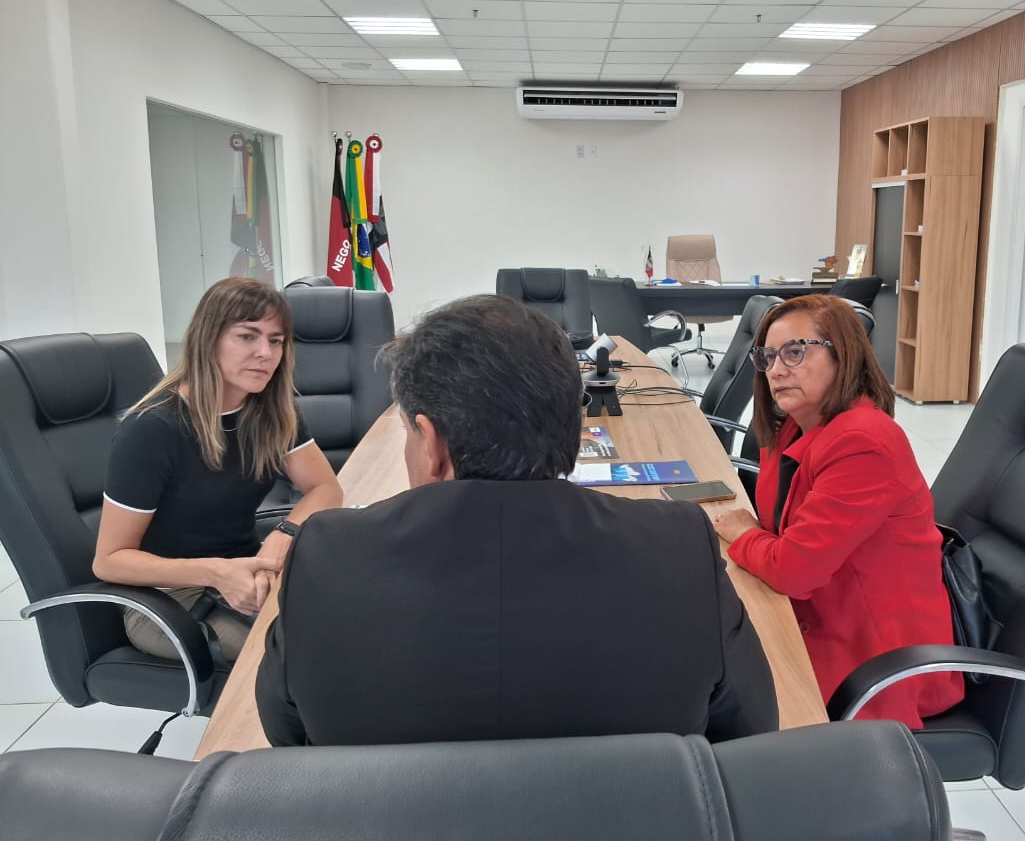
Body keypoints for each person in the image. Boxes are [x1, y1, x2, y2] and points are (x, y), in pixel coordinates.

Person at [255, 294, 778, 746]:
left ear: (431, 443)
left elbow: (290, 733)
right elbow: (750, 733)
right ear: (570, 432)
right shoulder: (679, 545)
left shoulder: (326, 554)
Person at [712, 295, 962, 728]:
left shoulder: (863, 443)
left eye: (795, 352)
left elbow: (793, 570)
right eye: (768, 356)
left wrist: (744, 533)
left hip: (875, 670)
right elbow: (784, 540)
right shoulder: (794, 424)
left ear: (842, 355)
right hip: (813, 623)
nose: (775, 370)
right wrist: (755, 537)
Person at [94, 277, 343, 662]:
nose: (265, 353)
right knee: (307, 659)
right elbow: (110, 560)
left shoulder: (272, 411)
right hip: (169, 598)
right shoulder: (152, 429)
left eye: (276, 340)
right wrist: (216, 573)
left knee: (363, 617)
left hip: (250, 570)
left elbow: (325, 487)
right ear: (208, 339)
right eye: (247, 336)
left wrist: (284, 533)